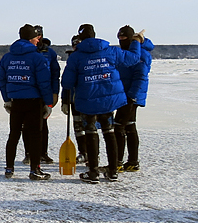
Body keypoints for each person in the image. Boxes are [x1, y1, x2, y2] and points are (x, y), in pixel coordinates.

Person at [61, 23, 142, 184]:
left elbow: (67, 82)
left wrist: (68, 95)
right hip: (108, 100)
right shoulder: (110, 51)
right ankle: (113, 171)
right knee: (109, 132)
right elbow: (133, 58)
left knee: (91, 133)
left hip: (88, 100)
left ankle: (93, 172)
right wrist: (136, 42)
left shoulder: (76, 56)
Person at [0, 24, 54, 180]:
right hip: (33, 102)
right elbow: (44, 82)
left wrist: (7, 99)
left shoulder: (7, 57)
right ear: (31, 39)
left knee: (14, 134)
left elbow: (1, 79)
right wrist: (48, 103)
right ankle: (35, 170)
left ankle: (9, 169)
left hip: (16, 102)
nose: (38, 41)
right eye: (36, 38)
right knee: (35, 135)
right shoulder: (37, 57)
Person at [114, 26, 154, 172]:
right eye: (120, 39)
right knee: (130, 126)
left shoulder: (141, 54)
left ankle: (117, 161)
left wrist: (132, 97)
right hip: (124, 94)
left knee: (119, 126)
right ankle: (132, 162)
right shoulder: (126, 52)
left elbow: (141, 77)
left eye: (125, 39)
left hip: (131, 96)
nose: (122, 42)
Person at [22, 25, 59, 164]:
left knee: (43, 124)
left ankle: (43, 153)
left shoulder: (50, 53)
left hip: (45, 92)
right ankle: (29, 153)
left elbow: (55, 74)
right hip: (28, 92)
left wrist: (55, 92)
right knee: (26, 125)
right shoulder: (24, 52)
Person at [64, 34, 87, 163]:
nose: (76, 47)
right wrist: (65, 101)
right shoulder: (71, 59)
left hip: (87, 99)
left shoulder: (87, 58)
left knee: (89, 127)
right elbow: (66, 82)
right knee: (78, 127)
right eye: (74, 44)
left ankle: (92, 153)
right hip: (74, 99)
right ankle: (83, 151)